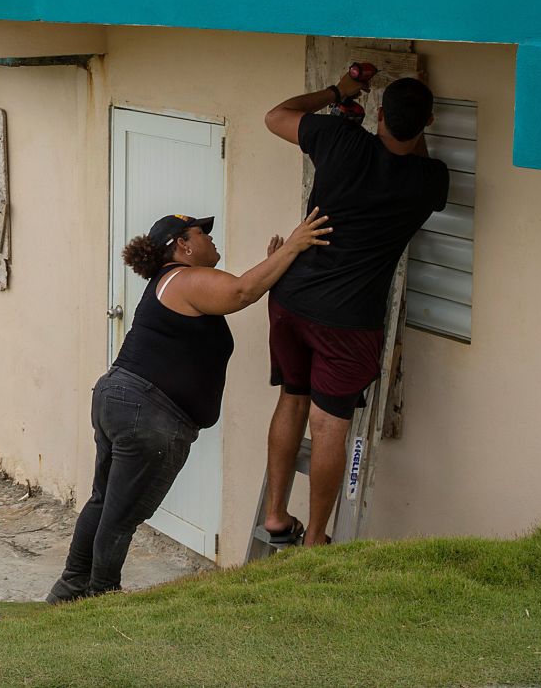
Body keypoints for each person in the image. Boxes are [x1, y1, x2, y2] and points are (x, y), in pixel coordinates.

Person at [47, 206, 333, 603]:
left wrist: (275, 262)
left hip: (123, 399)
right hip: (147, 411)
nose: (210, 238)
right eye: (201, 233)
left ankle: (70, 590)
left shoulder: (173, 282)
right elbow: (240, 292)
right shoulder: (183, 279)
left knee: (105, 500)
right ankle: (100, 598)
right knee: (122, 513)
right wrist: (294, 248)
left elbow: (240, 289)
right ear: (182, 246)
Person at [258, 69, 450, 547]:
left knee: (292, 400)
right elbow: (415, 160)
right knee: (328, 426)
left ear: (379, 114)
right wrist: (415, 130)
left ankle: (276, 515)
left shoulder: (339, 139)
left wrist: (338, 92)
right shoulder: (428, 183)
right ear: (428, 121)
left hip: (291, 299)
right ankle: (315, 540)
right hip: (347, 324)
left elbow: (276, 116)